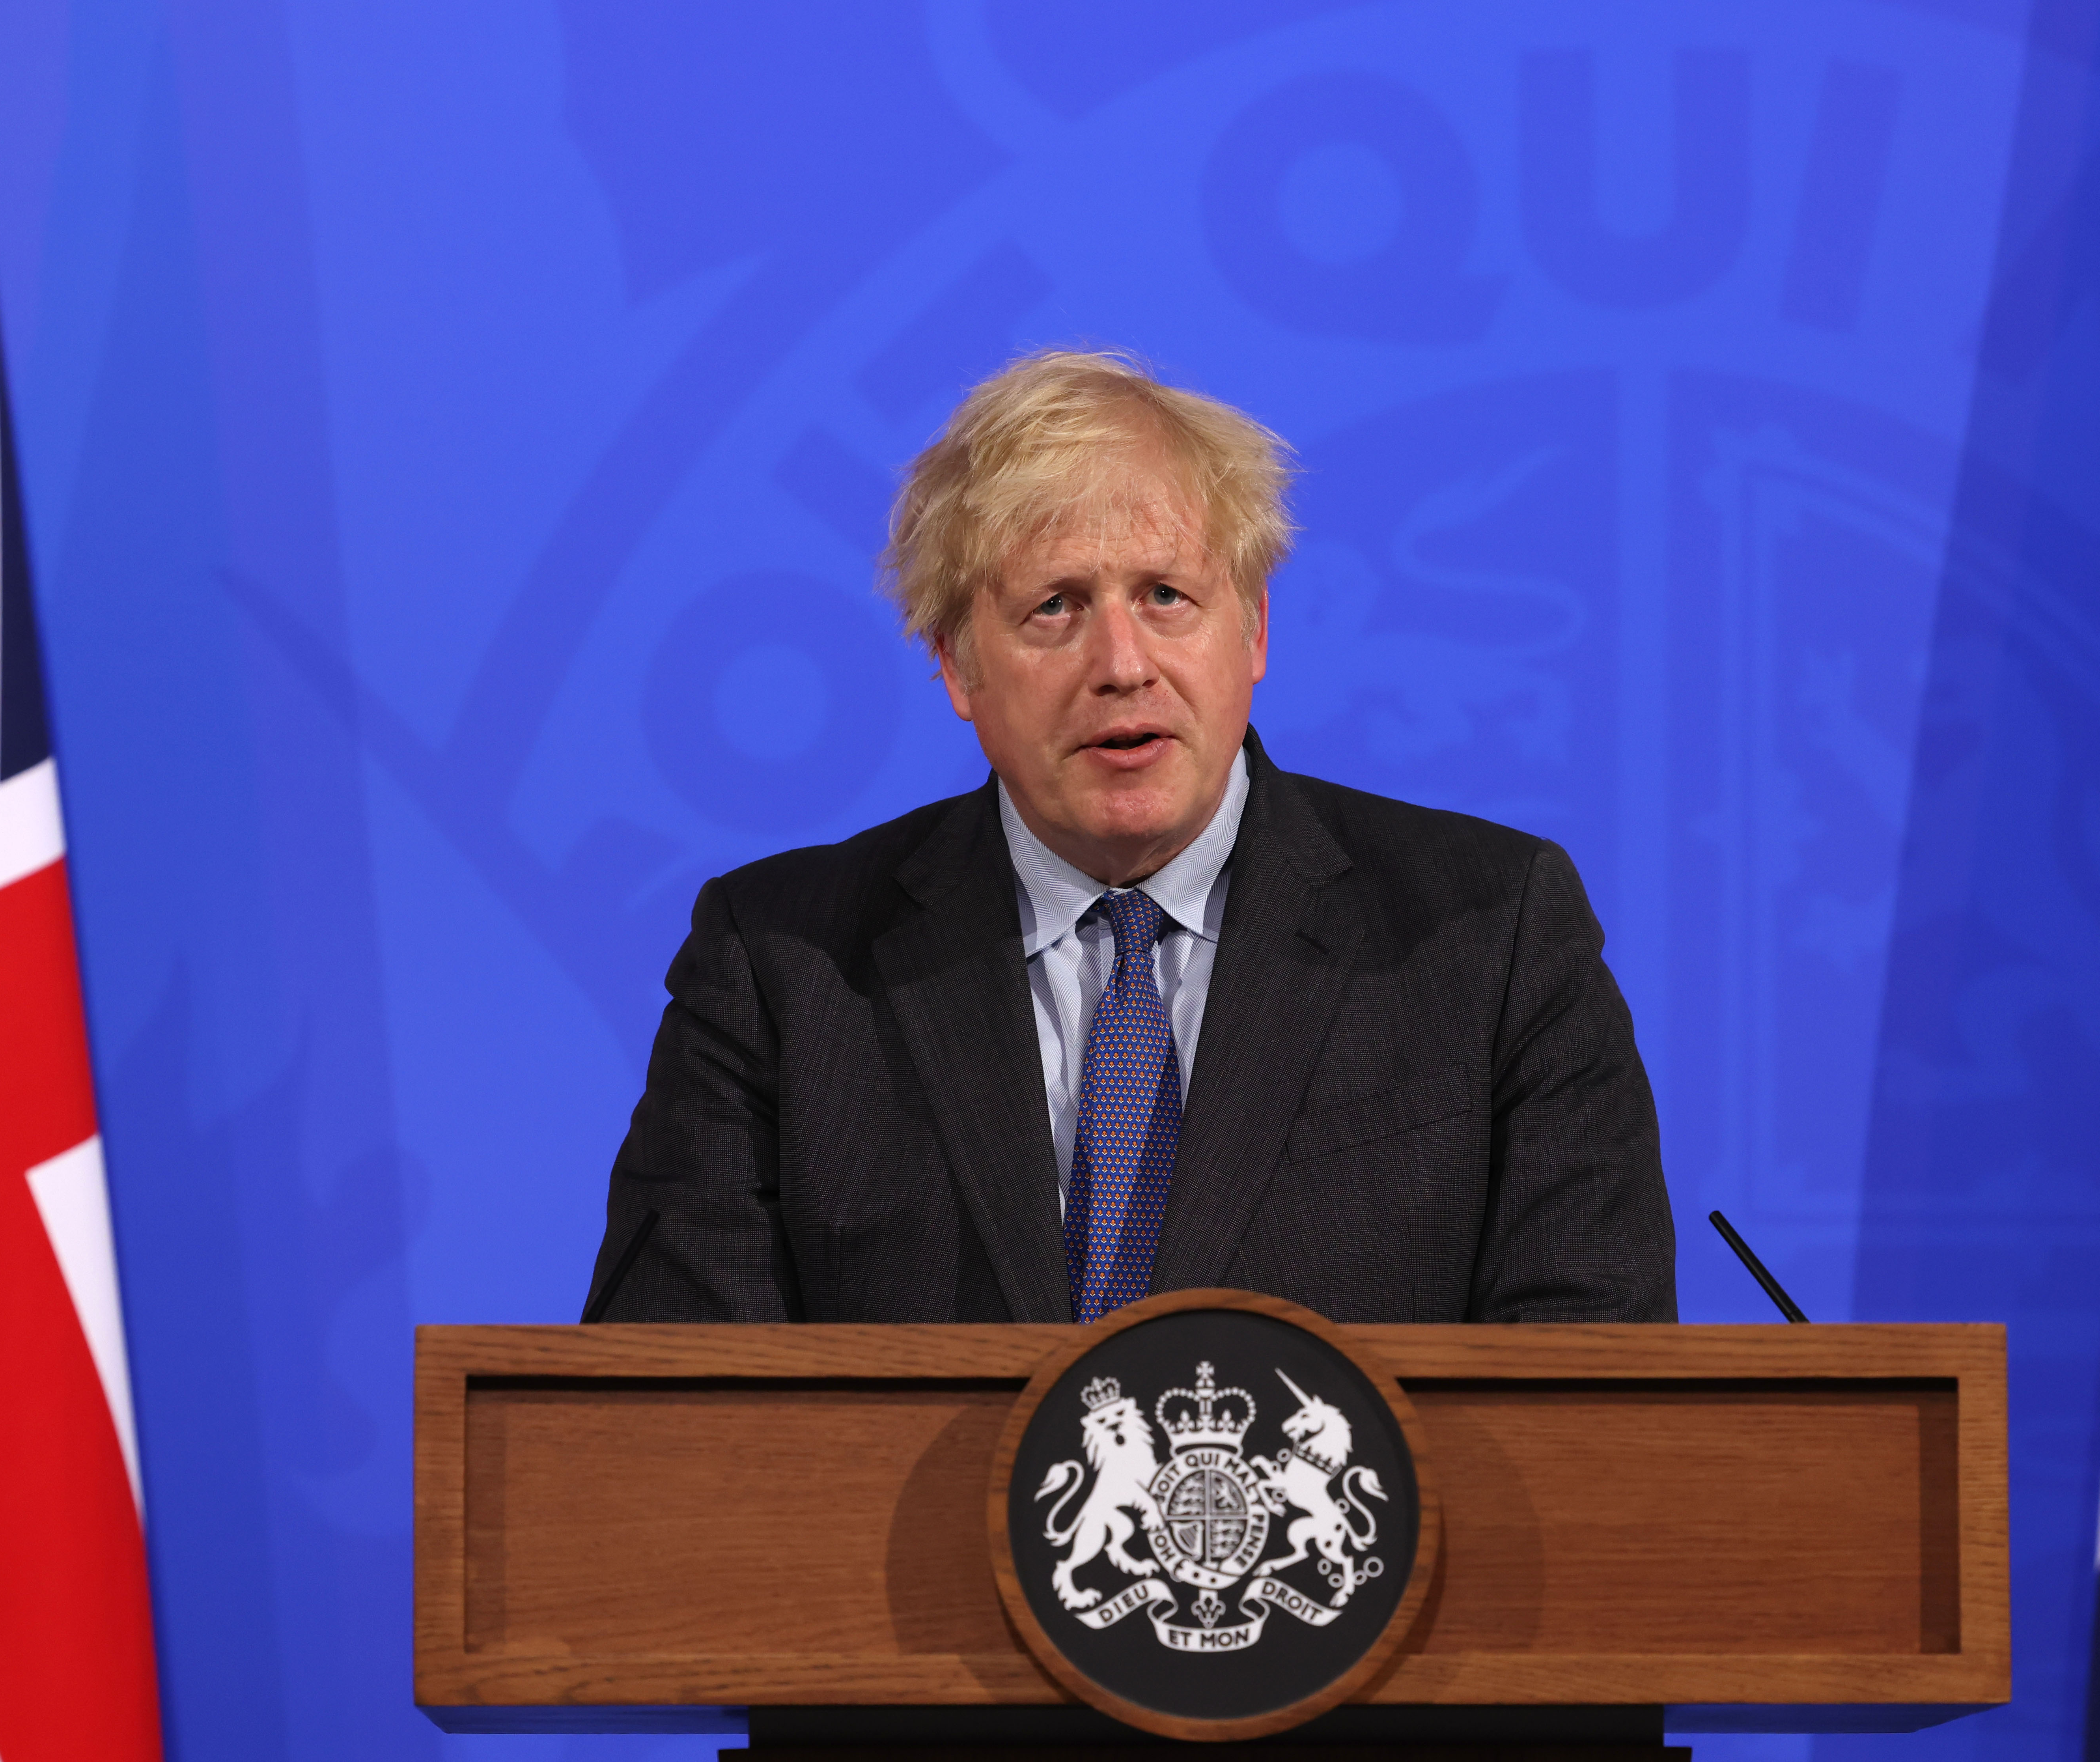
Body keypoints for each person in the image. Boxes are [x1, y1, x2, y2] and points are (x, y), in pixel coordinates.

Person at [587, 346, 1674, 1328]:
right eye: (1054, 607)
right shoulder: (784, 969)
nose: (1121, 662)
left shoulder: (1489, 937)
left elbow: (1589, 1396)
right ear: (958, 664)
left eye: (1166, 595)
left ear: (1252, 629)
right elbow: (677, 1423)